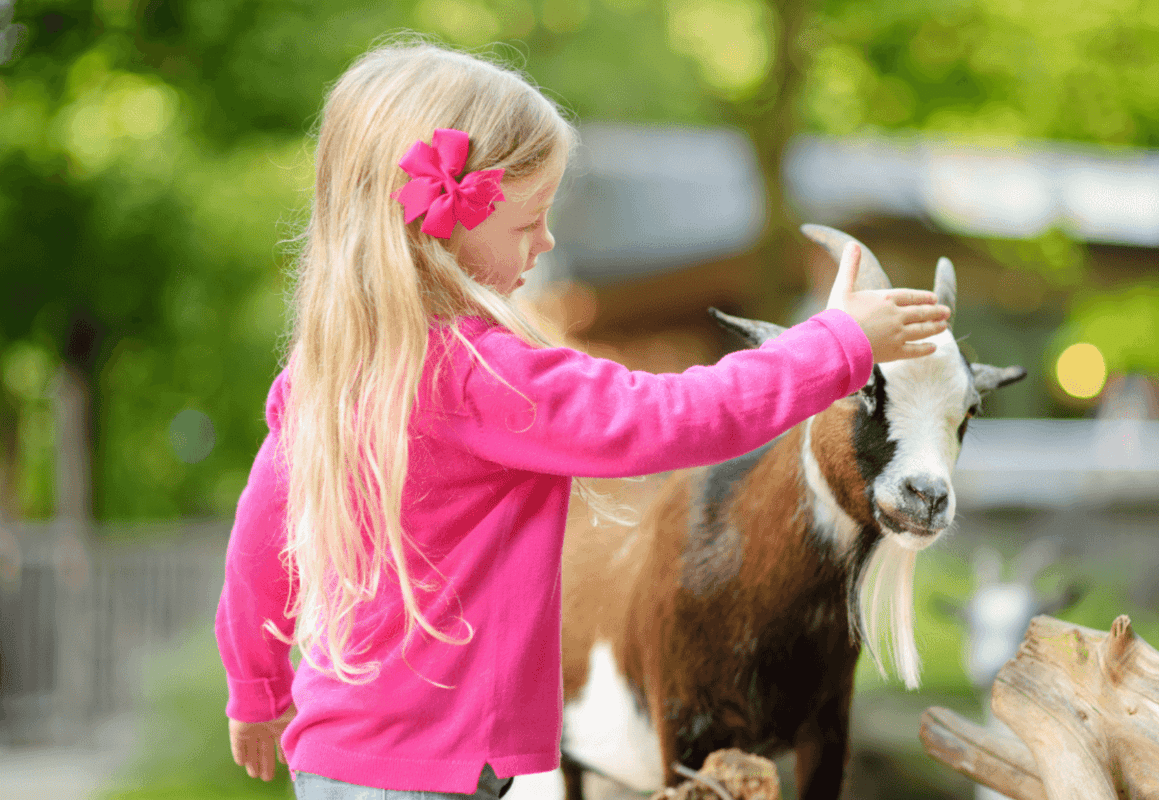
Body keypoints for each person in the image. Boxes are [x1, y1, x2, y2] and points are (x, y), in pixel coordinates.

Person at [215, 37, 950, 800]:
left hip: (332, 762)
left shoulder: (328, 370)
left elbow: (258, 547)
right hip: (437, 778)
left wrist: (256, 691)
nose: (548, 241)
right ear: (451, 221)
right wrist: (839, 346)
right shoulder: (484, 377)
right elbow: (675, 416)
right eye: (530, 220)